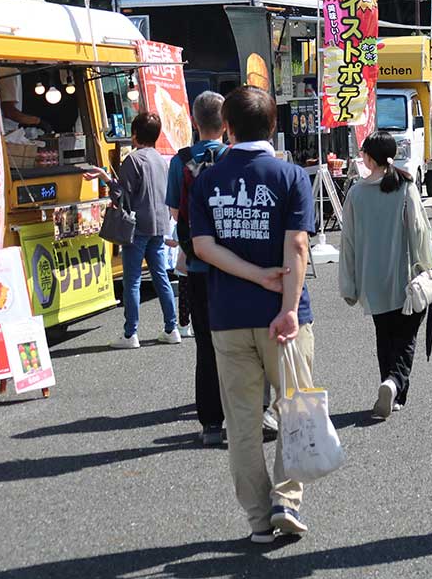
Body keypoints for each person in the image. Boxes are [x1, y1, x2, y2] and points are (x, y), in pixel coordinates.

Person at [190, 85, 316, 543]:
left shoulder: (207, 179)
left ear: (227, 126)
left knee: (242, 422)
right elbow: (298, 244)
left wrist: (251, 273)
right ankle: (287, 499)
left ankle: (259, 519)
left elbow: (202, 247)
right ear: (274, 124)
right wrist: (286, 306)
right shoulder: (290, 176)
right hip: (284, 316)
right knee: (296, 407)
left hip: (227, 315)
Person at [340, 131, 432, 420]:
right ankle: (394, 384)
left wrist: (349, 284)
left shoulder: (356, 193)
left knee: (385, 336)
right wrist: (427, 263)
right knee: (406, 338)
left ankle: (391, 389)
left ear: (369, 158)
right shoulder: (405, 186)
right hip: (404, 277)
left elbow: (348, 243)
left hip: (371, 280)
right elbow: (419, 230)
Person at [166, 91, 228, 444]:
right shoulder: (234, 158)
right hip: (235, 265)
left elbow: (175, 212)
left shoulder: (181, 160)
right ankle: (245, 413)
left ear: (194, 121)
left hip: (197, 264)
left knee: (205, 346)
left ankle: (210, 423)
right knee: (239, 343)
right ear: (226, 123)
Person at [96, 113, 178, 349]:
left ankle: (130, 333)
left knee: (132, 281)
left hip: (137, 226)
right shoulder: (161, 160)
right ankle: (171, 328)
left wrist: (106, 179)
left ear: (134, 134)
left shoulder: (133, 160)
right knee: (160, 276)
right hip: (159, 225)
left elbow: (122, 195)